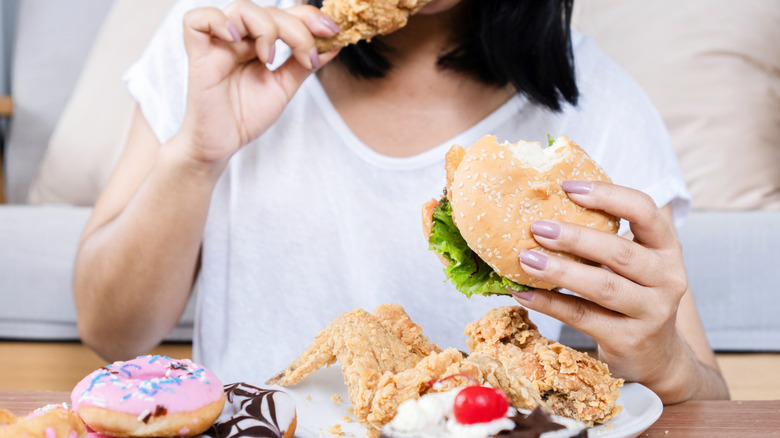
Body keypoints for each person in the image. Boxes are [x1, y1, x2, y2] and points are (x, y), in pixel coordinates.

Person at [73, 0, 729, 403]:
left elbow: (707, 393)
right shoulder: (220, 38)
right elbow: (111, 332)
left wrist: (663, 361)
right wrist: (196, 154)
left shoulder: (601, 107)